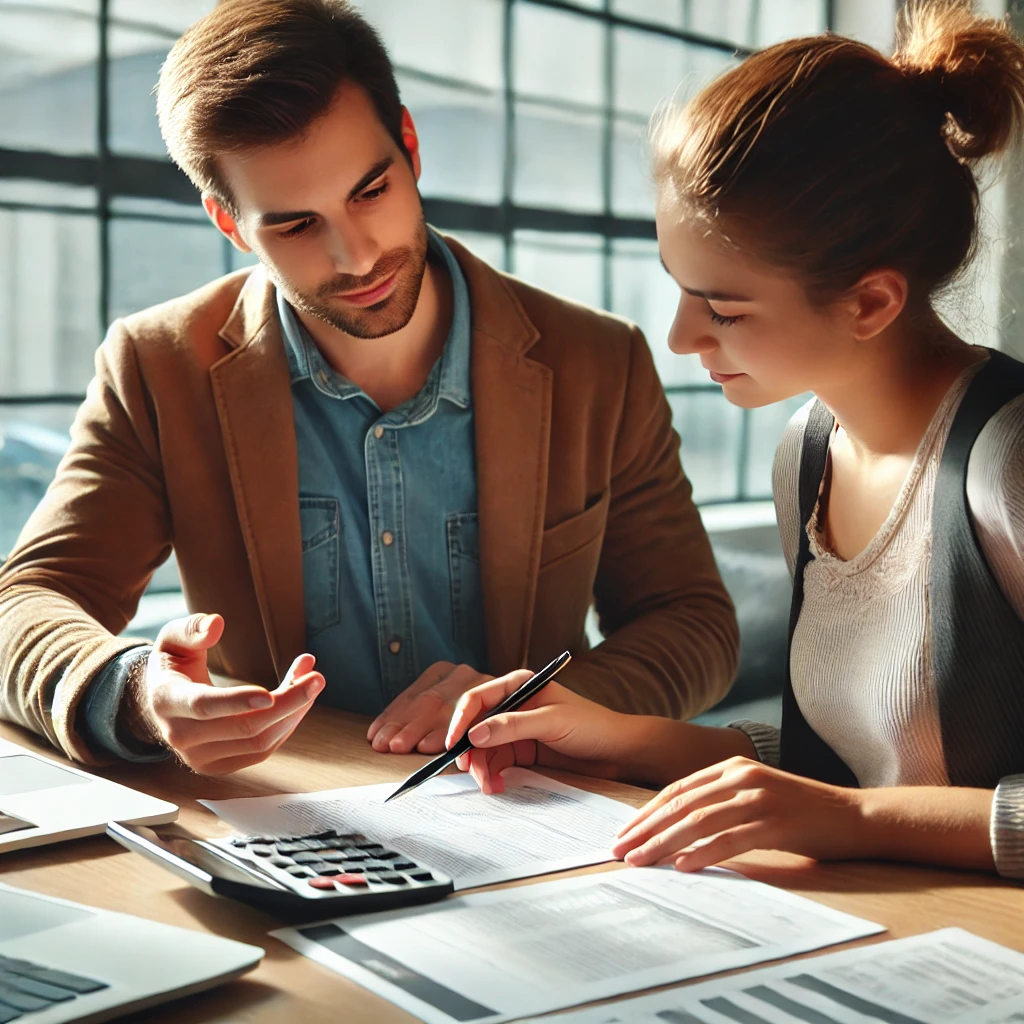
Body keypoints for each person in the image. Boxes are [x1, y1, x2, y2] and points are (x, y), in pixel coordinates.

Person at [0, 0, 738, 775]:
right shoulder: (158, 367)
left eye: (370, 191)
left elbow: (694, 624)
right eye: (295, 225)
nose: (355, 257)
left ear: (409, 146)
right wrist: (139, 693)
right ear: (230, 223)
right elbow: (25, 604)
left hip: (525, 804)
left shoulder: (598, 362)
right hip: (285, 814)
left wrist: (541, 708)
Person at [444, 0, 1024, 880]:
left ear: (870, 302)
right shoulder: (810, 452)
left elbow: (854, 804)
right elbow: (835, 770)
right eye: (681, 288)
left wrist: (856, 819)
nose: (680, 338)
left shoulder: (1005, 462)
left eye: (722, 309)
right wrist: (620, 738)